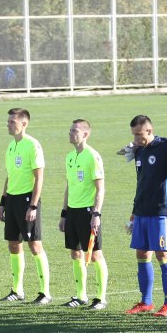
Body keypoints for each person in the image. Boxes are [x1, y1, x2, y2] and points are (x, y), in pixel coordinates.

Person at [122, 115, 167, 317]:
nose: (136, 138)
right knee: (142, 254)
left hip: (161, 212)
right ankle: (146, 302)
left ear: (150, 130)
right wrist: (134, 212)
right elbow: (142, 183)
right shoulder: (139, 151)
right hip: (142, 212)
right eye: (134, 135)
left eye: (139, 134)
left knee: (163, 255)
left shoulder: (165, 147)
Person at [0, 108, 50, 304]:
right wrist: (3, 202)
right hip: (11, 199)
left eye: (12, 121)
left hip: (27, 200)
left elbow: (39, 177)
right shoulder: (11, 146)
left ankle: (45, 292)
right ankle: (17, 290)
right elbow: (9, 176)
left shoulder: (32, 145)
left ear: (24, 124)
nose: (9, 124)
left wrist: (33, 205)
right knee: (13, 244)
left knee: (35, 245)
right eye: (8, 121)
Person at [59, 119, 108, 310]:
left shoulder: (92, 156)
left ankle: (101, 298)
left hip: (88, 212)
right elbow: (69, 186)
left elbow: (100, 188)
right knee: (75, 252)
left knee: (95, 255)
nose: (70, 133)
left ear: (85, 134)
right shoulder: (70, 156)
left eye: (74, 131)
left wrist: (96, 213)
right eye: (70, 129)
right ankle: (81, 296)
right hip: (72, 211)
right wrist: (64, 213)